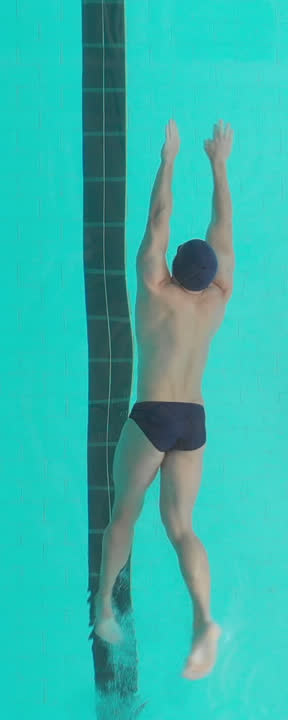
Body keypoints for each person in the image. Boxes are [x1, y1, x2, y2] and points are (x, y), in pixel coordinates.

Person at [93, 119, 234, 681]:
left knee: (122, 513)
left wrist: (169, 160)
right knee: (181, 527)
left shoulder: (153, 288)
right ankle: (204, 619)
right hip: (193, 420)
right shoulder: (218, 298)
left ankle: (103, 608)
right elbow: (222, 227)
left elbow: (157, 220)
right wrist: (219, 166)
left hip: (152, 415)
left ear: (175, 265)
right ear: (212, 275)